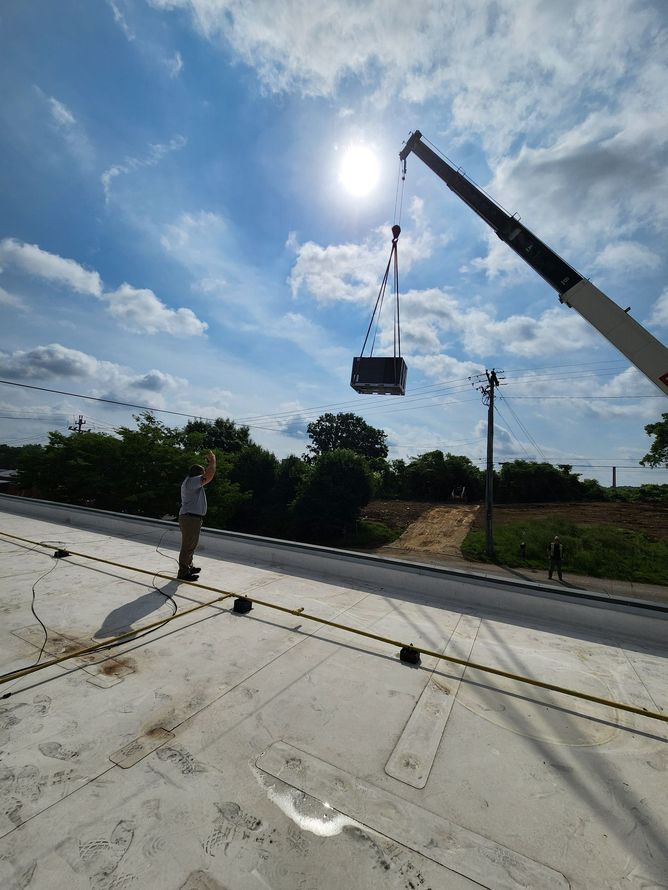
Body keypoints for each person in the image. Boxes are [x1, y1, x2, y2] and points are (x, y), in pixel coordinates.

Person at [178, 451, 216, 580]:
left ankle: (188, 566)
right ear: (197, 474)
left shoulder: (190, 482)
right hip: (190, 518)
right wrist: (212, 461)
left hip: (191, 518)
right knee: (187, 546)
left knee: (190, 545)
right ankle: (183, 572)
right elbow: (209, 476)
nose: (203, 476)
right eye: (202, 473)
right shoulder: (192, 482)